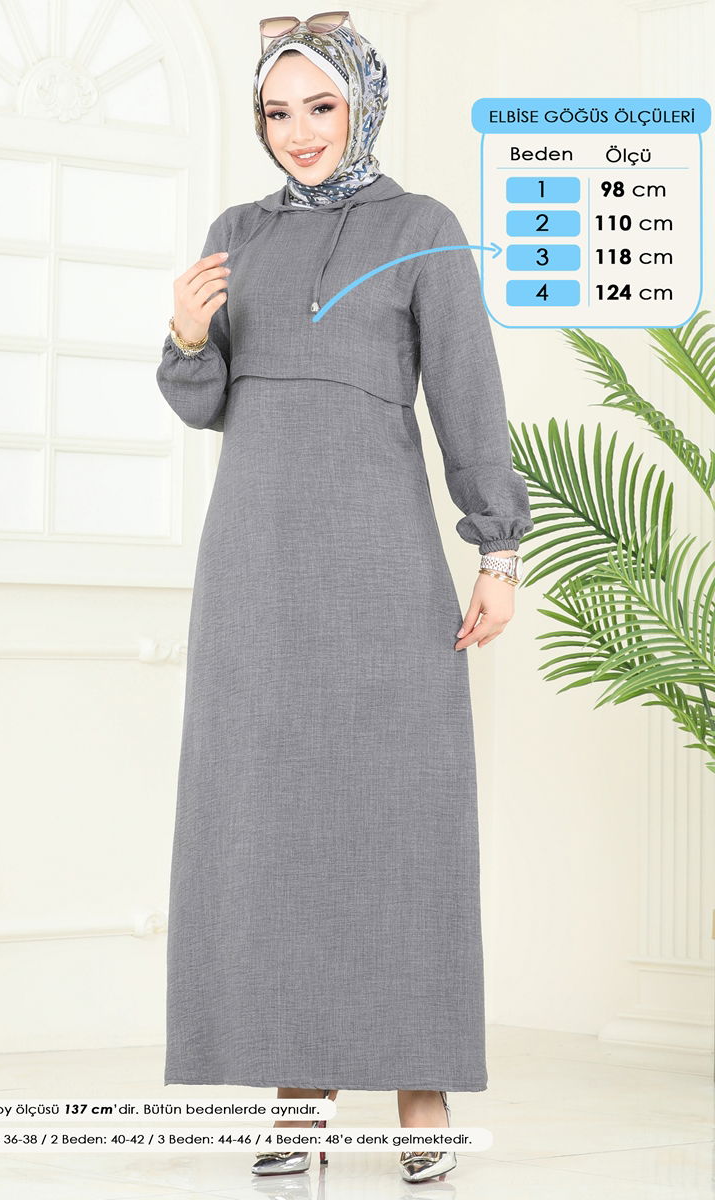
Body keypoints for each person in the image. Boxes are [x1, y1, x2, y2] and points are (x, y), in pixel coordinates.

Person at [155, 13, 533, 1185]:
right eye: (276, 112)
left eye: (318, 106)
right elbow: (204, 403)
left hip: (379, 566)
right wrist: (183, 335)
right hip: (254, 573)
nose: (298, 132)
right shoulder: (235, 232)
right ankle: (300, 1095)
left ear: (361, 104)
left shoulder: (422, 229)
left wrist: (497, 550)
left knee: (401, 819)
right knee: (272, 824)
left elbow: (465, 392)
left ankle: (420, 1092)